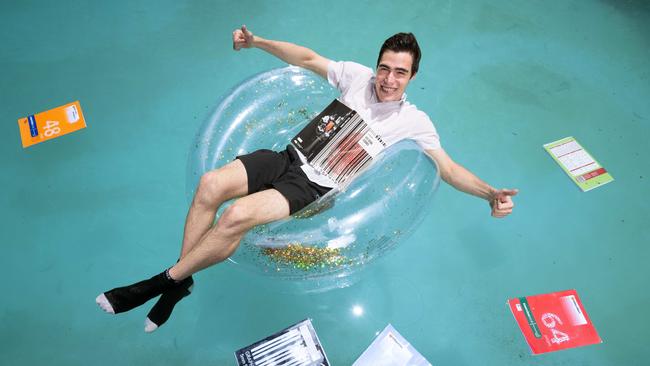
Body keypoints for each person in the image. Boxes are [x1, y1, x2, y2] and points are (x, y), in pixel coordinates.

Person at [96, 25, 518, 332]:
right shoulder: (356, 78)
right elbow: (305, 57)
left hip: (313, 186)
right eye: (384, 68)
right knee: (210, 184)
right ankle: (176, 286)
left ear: (413, 77)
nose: (388, 79)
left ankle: (155, 284)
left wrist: (488, 194)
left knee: (235, 216)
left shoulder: (414, 122)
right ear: (376, 65)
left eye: (399, 73)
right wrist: (257, 42)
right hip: (286, 157)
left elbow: (447, 168)